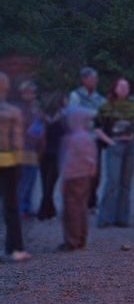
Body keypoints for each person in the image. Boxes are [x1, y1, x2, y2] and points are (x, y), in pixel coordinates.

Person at [95, 78, 134, 228]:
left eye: (126, 87)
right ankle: (105, 218)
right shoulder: (106, 107)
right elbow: (97, 127)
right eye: (121, 86)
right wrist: (110, 142)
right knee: (113, 181)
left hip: (130, 145)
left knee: (126, 183)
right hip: (115, 144)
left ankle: (122, 218)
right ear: (115, 88)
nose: (124, 89)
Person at [0, 72, 31, 262]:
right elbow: (17, 141)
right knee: (11, 206)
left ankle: (15, 248)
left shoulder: (13, 112)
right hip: (9, 163)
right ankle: (15, 248)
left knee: (11, 206)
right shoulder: (13, 112)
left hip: (9, 161)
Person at [59, 107, 97, 251]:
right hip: (85, 176)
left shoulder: (72, 139)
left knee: (71, 209)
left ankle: (71, 241)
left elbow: (68, 161)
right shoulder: (88, 137)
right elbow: (92, 159)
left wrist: (63, 180)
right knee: (81, 207)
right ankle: (81, 239)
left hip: (72, 177)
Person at [69, 67, 105, 210]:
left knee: (95, 172)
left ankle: (92, 200)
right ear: (83, 80)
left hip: (95, 139)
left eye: (96, 79)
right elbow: (74, 116)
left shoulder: (100, 98)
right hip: (81, 140)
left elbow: (104, 116)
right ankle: (80, 200)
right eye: (91, 78)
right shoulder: (75, 95)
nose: (94, 81)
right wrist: (94, 114)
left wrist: (90, 115)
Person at [37, 92, 68, 220]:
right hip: (57, 152)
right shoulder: (64, 117)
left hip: (43, 151)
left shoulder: (42, 116)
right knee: (51, 183)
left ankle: (49, 209)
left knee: (45, 182)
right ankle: (45, 211)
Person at [16, 80, 43, 218]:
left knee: (32, 177)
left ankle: (28, 206)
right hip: (24, 145)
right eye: (26, 92)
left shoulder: (37, 106)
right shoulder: (19, 108)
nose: (29, 95)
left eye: (32, 92)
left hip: (35, 145)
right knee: (24, 178)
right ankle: (21, 208)